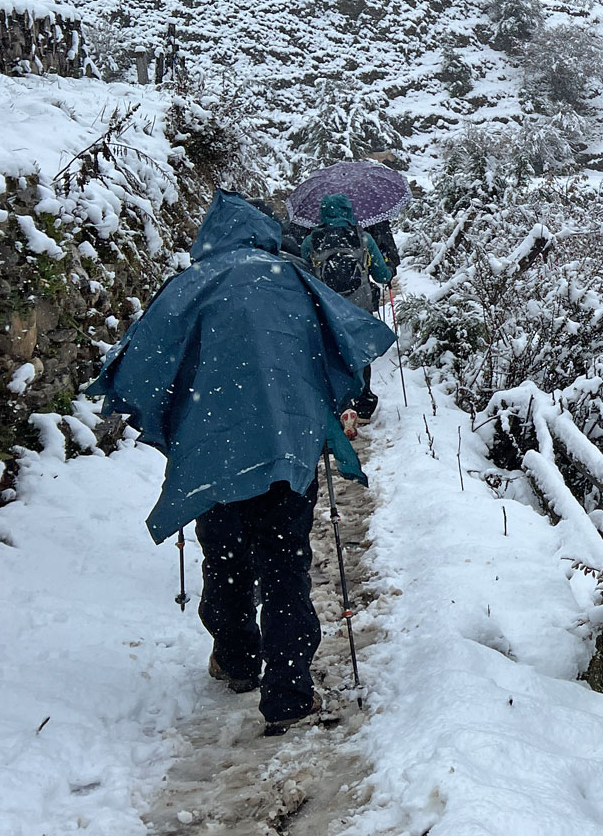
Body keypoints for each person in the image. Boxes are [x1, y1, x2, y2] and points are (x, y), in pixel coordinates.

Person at [90, 192, 395, 737]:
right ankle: (289, 691)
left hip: (214, 453)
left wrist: (170, 414)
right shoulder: (292, 278)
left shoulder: (188, 287)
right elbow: (344, 346)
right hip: (286, 446)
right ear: (263, 232)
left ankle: (236, 661)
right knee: (284, 565)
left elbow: (141, 361)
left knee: (226, 556)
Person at [300, 194, 394, 419]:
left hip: (327, 308)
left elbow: (305, 274)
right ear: (348, 211)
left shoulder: (310, 242)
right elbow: (381, 275)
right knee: (360, 353)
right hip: (359, 307)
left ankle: (341, 403)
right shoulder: (363, 239)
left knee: (333, 354)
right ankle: (363, 401)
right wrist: (388, 270)